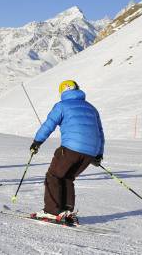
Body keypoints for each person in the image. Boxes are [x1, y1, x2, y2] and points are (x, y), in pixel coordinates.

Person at [29, 80, 104, 226]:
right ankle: (66, 211)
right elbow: (100, 132)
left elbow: (49, 124)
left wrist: (37, 142)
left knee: (54, 175)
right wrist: (98, 154)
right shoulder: (91, 108)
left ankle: (51, 211)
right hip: (90, 152)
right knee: (67, 177)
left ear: (62, 92)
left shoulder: (62, 106)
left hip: (71, 148)